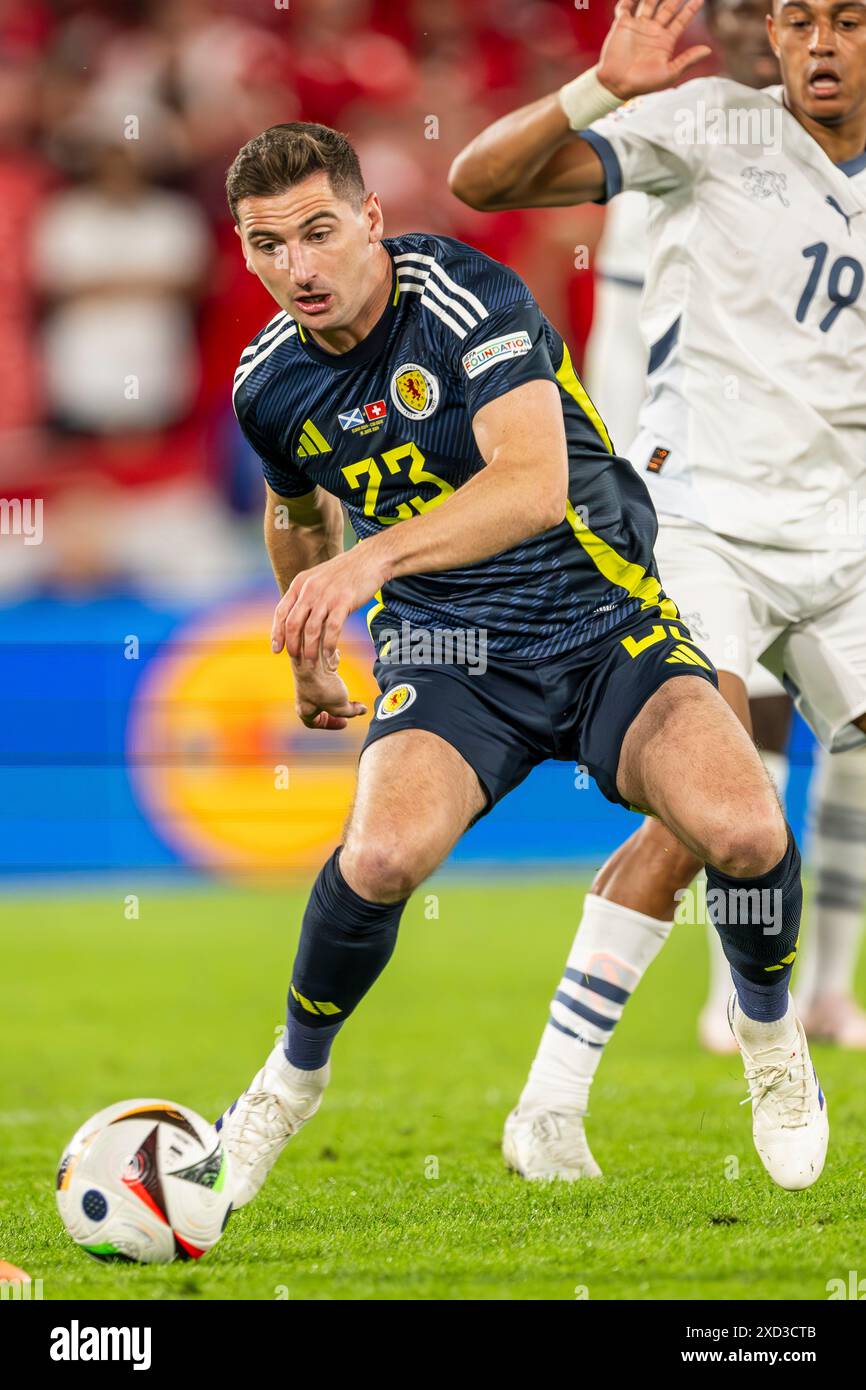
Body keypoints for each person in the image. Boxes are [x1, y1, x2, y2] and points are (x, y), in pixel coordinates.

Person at [217, 117, 826, 1208]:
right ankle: (283, 1084)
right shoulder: (266, 385)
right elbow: (294, 509)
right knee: (381, 858)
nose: (296, 268)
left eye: (316, 232)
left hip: (604, 627)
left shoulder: (464, 299)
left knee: (742, 829)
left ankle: (771, 1043)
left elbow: (530, 484)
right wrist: (309, 647)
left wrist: (366, 569)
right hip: (453, 659)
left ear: (368, 220)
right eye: (268, 246)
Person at [449, 0, 866, 1180]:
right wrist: (593, 87)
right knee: (712, 802)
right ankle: (664, 1067)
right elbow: (480, 182)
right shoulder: (706, 127)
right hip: (702, 525)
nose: (819, 44)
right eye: (796, 22)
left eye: (845, 20)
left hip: (846, 535)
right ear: (772, 41)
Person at [581, 0, 866, 1055]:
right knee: (736, 744)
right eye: (752, 11)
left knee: (846, 755)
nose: (765, 33)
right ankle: (740, 993)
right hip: (696, 496)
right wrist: (622, 495)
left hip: (831, 499)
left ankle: (832, 984)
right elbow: (622, 338)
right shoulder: (689, 136)